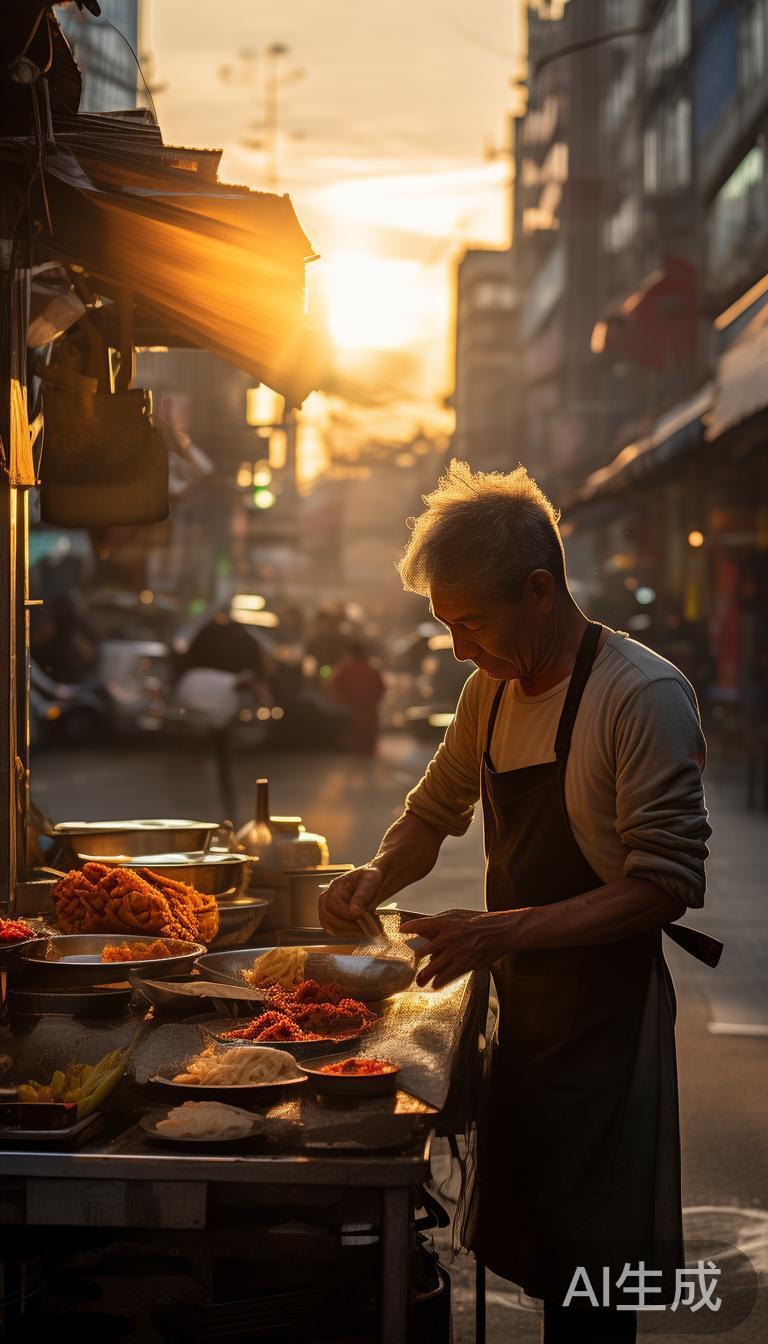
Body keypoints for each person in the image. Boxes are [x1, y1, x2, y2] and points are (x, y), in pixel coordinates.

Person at [319, 461, 713, 1343]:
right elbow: (433, 810)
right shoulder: (489, 690)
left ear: (540, 591)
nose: (460, 647)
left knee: (594, 1284)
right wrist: (376, 876)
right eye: (447, 626)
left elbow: (663, 886)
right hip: (524, 1011)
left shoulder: (639, 696)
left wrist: (498, 930)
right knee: (537, 1255)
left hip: (607, 1023)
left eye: (472, 623)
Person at [329, 640, 385, 754]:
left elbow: (333, 687)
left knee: (355, 742)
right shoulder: (372, 670)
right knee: (368, 743)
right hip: (369, 711)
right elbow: (381, 688)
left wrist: (342, 701)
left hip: (352, 711)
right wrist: (373, 701)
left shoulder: (344, 669)